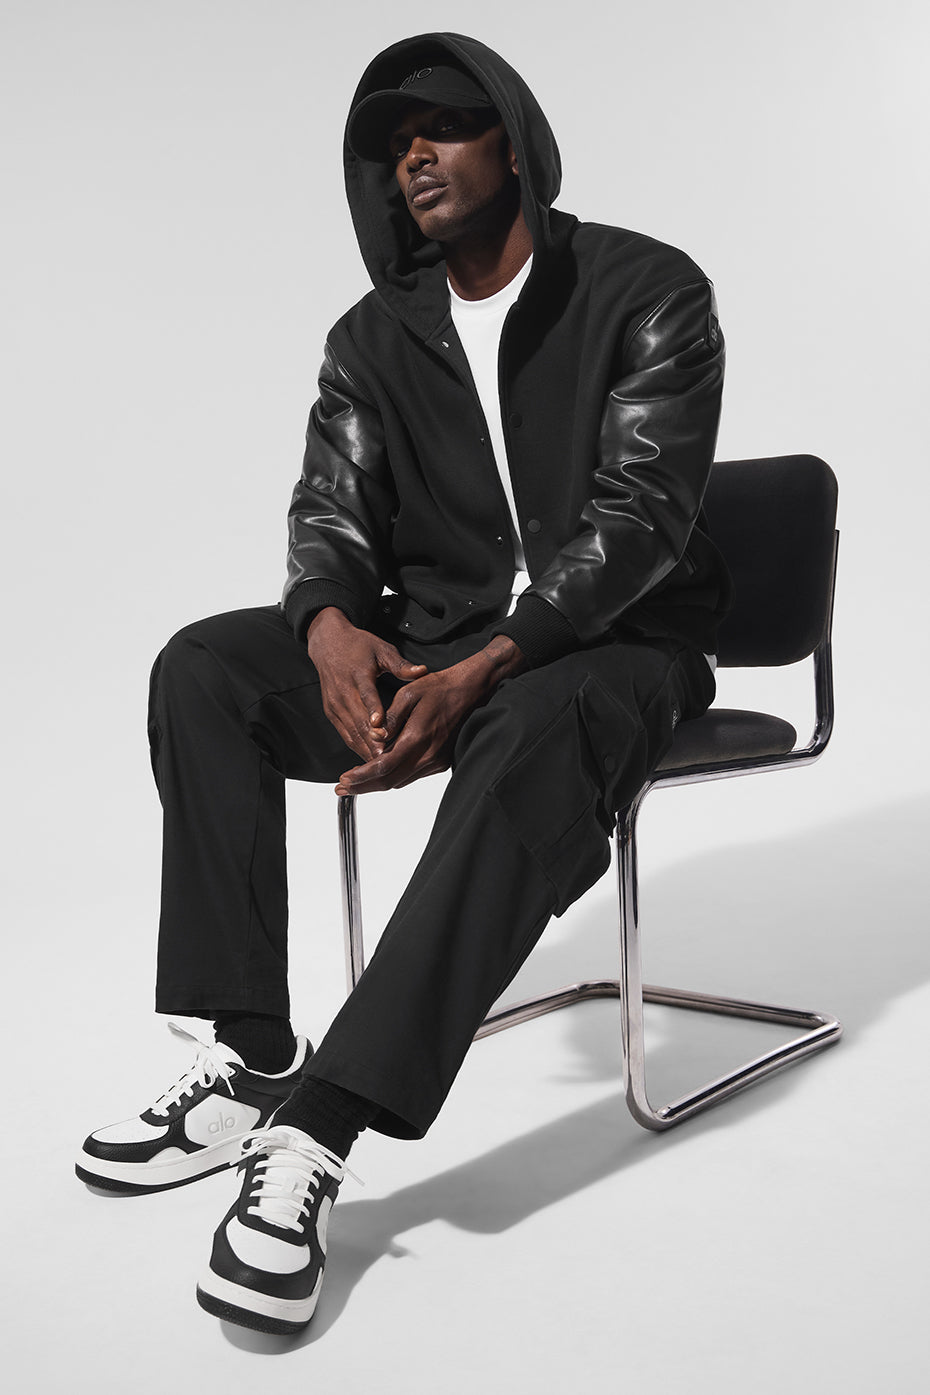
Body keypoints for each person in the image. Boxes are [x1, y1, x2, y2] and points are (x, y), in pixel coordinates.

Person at [76, 32, 730, 1335]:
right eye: (393, 143)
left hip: (614, 647)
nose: (414, 156)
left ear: (515, 143)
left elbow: (642, 517)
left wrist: (489, 661)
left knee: (532, 720)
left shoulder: (645, 289)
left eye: (443, 126)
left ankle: (317, 1130)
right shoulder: (372, 336)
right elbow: (332, 509)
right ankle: (253, 1055)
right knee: (206, 668)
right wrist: (325, 623)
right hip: (438, 639)